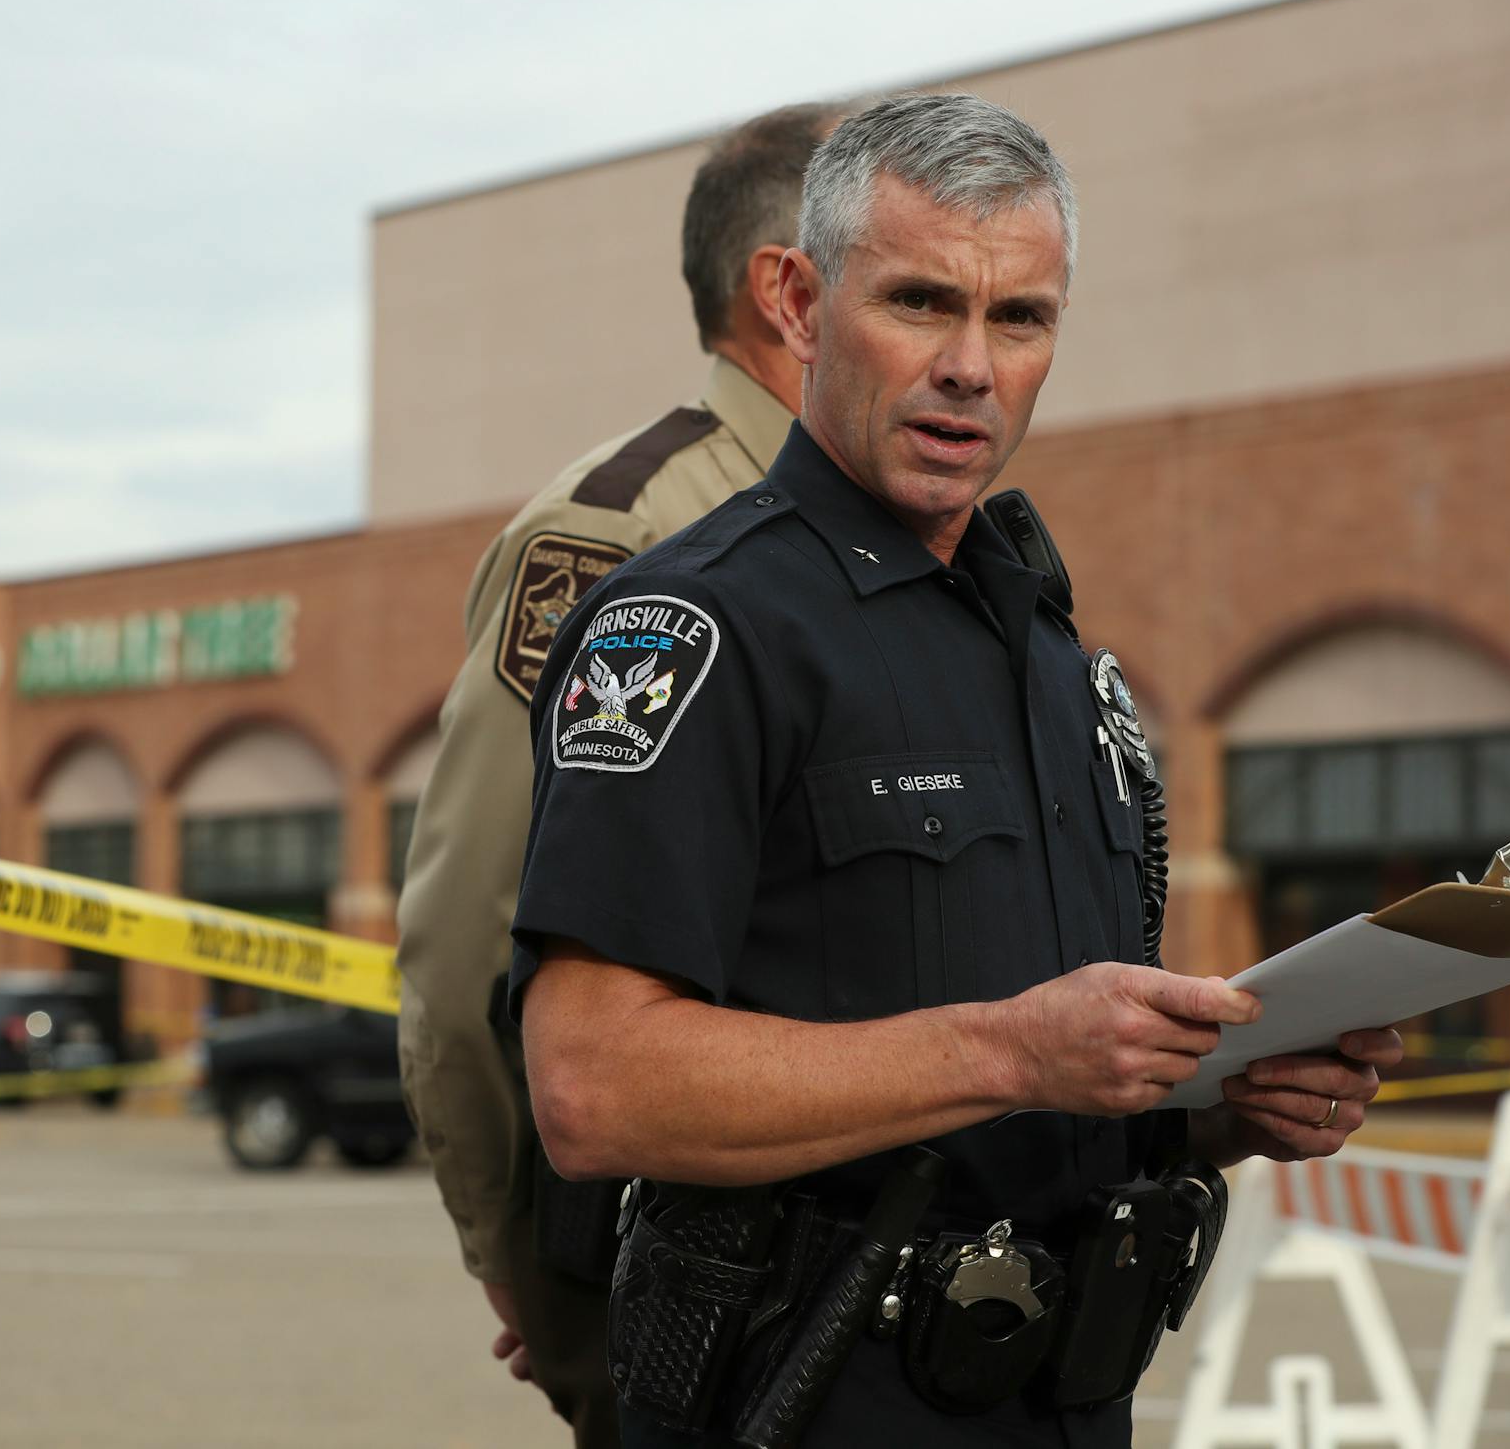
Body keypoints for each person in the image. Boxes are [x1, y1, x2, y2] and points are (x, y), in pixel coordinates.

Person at [507, 93, 1402, 1448]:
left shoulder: (1046, 651)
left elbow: (1052, 1091)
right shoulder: (696, 629)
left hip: (1066, 1399)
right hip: (807, 1407)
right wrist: (1009, 1048)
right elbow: (592, 1085)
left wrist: (1223, 1100)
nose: (972, 367)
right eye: (920, 302)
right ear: (801, 306)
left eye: (1020, 317)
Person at [396, 103, 842, 1446]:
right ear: (789, 292)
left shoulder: (903, 541)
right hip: (694, 1298)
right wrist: (531, 1267)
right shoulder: (627, 534)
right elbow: (470, 930)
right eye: (907, 275)